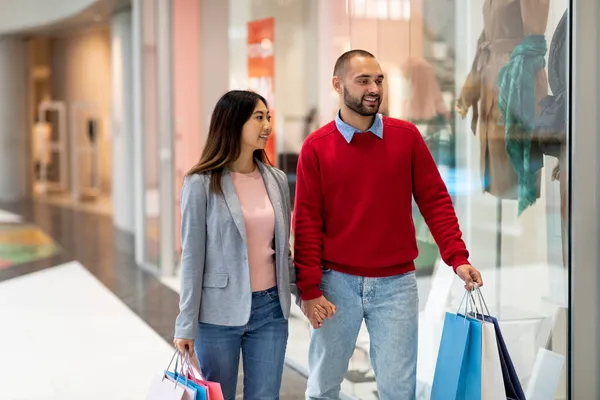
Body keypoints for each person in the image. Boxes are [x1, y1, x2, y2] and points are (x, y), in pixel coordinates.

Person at [293, 49, 484, 400]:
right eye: (363, 80)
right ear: (338, 85)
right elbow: (305, 222)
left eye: (378, 80)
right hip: (335, 284)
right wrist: (309, 289)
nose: (374, 88)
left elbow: (435, 200)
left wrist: (457, 257)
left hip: (396, 286)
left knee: (399, 391)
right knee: (322, 388)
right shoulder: (316, 148)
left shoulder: (406, 137)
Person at [173, 90, 297, 400]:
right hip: (217, 313)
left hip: (271, 309)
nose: (267, 124)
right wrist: (185, 324)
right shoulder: (201, 182)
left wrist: (306, 293)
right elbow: (192, 259)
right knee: (219, 397)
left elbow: (283, 250)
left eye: (268, 117)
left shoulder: (277, 179)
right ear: (233, 123)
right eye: (258, 117)